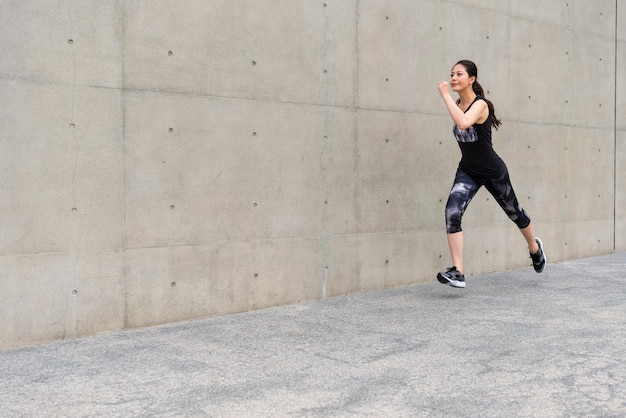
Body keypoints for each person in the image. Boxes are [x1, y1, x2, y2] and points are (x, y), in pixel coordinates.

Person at [436, 60, 546, 288]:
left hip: (492, 171)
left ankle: (534, 248)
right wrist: (450, 99)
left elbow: (464, 123)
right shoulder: (458, 103)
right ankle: (458, 271)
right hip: (468, 170)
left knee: (514, 213)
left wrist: (445, 95)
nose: (454, 78)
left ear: (472, 79)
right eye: (451, 74)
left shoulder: (480, 105)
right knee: (452, 212)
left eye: (459, 74)